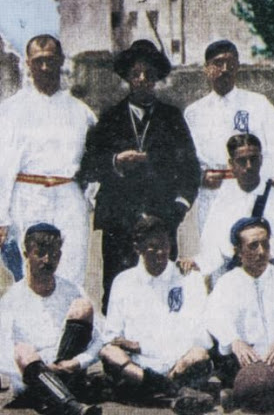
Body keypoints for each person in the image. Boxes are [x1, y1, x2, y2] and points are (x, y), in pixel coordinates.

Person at [78, 39, 200, 314]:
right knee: (117, 288)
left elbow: (190, 170)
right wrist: (116, 162)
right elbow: (88, 166)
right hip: (120, 223)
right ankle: (116, 352)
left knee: (163, 289)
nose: (142, 79)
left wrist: (178, 208)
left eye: (148, 73)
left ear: (156, 77)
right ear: (127, 78)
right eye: (136, 74)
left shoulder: (172, 119)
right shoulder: (109, 119)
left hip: (162, 221)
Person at [0, 34, 97, 287]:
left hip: (68, 200)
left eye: (51, 60)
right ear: (28, 63)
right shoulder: (10, 110)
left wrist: (87, 198)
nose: (45, 67)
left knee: (71, 275)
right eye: (39, 61)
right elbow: (2, 166)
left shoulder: (80, 111)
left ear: (61, 61)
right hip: (27, 198)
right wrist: (1, 218)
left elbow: (93, 161)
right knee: (28, 276)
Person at [99, 216, 214, 414]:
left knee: (201, 356)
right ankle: (172, 391)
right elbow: (112, 336)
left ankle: (156, 392)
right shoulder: (122, 281)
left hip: (179, 363)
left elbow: (200, 335)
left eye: (164, 245)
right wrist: (130, 346)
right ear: (138, 247)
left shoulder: (189, 278)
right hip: (139, 367)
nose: (160, 253)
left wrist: (140, 345)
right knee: (109, 353)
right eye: (152, 247)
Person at [205, 217, 274, 412]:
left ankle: (237, 395)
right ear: (238, 252)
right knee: (224, 354)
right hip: (245, 358)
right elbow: (214, 316)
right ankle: (250, 393)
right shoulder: (227, 283)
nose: (262, 252)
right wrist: (234, 340)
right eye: (253, 246)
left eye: (265, 244)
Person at [184, 40, 274, 230]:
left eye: (230, 63)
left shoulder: (257, 103)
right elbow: (185, 158)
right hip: (213, 193)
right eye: (218, 63)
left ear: (238, 67)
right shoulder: (193, 112)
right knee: (215, 249)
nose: (224, 69)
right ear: (206, 68)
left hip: (250, 189)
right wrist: (200, 178)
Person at [184, 133, 274, 281]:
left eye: (253, 159)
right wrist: (197, 263)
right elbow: (213, 248)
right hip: (239, 279)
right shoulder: (223, 203)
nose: (249, 166)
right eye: (242, 161)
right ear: (231, 164)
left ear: (261, 160)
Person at [0, 223, 102, 414]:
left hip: (68, 371)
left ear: (60, 256)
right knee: (22, 350)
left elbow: (99, 339)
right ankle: (72, 408)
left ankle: (61, 399)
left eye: (54, 254)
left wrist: (77, 362)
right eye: (40, 253)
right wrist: (42, 370)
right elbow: (3, 354)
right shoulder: (11, 300)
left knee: (83, 307)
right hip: (32, 379)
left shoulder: (72, 291)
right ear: (26, 254)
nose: (47, 260)